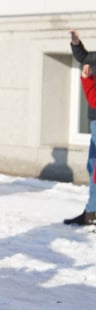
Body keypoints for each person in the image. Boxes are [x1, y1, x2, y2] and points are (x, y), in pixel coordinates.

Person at [66, 30, 96, 225]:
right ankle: (91, 212)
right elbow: (84, 57)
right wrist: (76, 44)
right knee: (92, 166)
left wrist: (86, 81)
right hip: (94, 119)